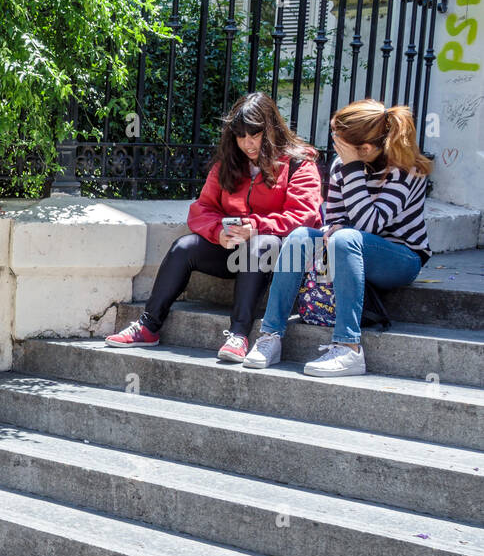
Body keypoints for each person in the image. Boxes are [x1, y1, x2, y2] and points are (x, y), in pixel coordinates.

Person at [107, 91, 323, 361]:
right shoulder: (228, 164)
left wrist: (255, 226)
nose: (248, 144)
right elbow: (201, 210)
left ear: (270, 129)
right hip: (232, 250)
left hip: (276, 256)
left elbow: (305, 216)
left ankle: (239, 335)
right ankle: (148, 326)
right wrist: (218, 232)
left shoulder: (298, 162)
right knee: (184, 246)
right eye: (241, 136)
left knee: (259, 244)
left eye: (254, 135)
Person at [243, 100, 432, 376]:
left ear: (365, 149)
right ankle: (270, 336)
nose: (334, 144)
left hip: (400, 258)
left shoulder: (407, 170)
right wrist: (333, 228)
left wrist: (353, 169)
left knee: (346, 239)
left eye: (338, 139)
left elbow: (370, 225)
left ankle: (349, 348)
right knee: (298, 237)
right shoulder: (340, 165)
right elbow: (334, 218)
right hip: (348, 247)